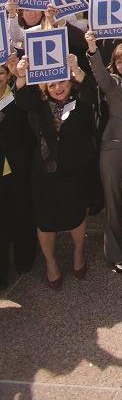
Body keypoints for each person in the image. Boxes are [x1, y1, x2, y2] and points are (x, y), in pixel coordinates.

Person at [13, 51, 97, 288]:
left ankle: (78, 251)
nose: (57, 88)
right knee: (45, 219)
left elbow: (92, 93)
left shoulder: (81, 98)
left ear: (70, 81)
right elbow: (22, 100)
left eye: (62, 82)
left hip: (75, 169)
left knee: (76, 214)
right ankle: (50, 261)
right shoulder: (40, 104)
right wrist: (20, 75)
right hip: (44, 171)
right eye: (52, 84)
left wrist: (78, 70)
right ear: (45, 87)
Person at [85, 33, 122, 274]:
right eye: (119, 61)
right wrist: (91, 48)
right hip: (112, 146)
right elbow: (97, 70)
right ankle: (115, 252)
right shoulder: (111, 82)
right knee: (113, 199)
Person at [0, 58, 37, 287]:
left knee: (23, 213)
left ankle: (25, 259)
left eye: (1, 73)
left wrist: (19, 75)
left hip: (17, 168)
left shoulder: (15, 97)